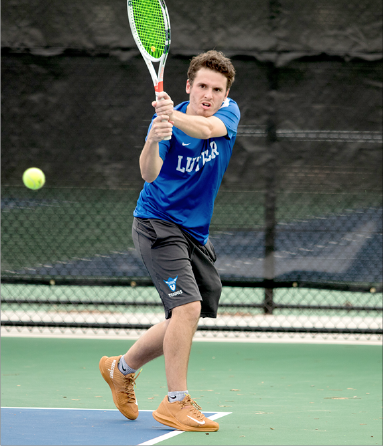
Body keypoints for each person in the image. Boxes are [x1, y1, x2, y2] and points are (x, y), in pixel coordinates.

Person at [99, 50, 240, 432]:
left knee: (193, 310)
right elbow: (149, 173)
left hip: (195, 233)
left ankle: (120, 368)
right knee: (188, 309)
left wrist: (173, 116)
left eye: (217, 90)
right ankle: (175, 402)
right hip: (157, 224)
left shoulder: (228, 114)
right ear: (189, 86)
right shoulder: (163, 122)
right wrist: (153, 137)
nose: (209, 95)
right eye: (203, 87)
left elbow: (207, 131)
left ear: (225, 95)